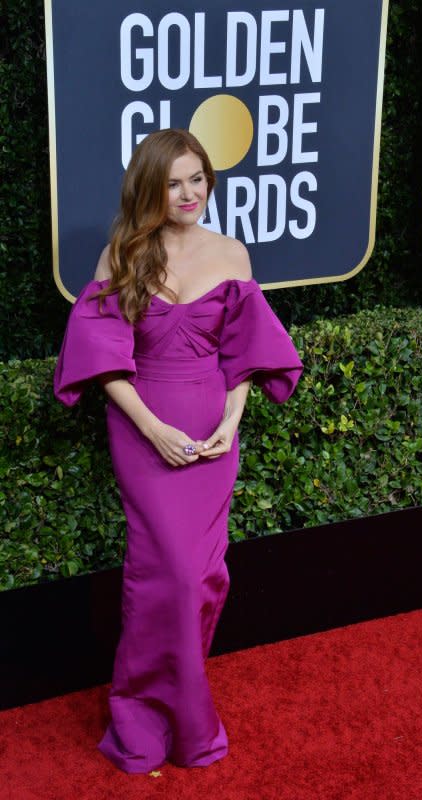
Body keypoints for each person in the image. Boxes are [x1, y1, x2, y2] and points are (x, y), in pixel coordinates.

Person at [54, 128, 303, 774]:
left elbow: (245, 354)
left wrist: (232, 418)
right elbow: (102, 362)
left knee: (201, 578)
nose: (189, 193)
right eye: (174, 182)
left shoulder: (232, 254)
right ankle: (140, 719)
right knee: (160, 576)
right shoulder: (123, 254)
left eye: (198, 179)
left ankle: (184, 716)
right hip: (144, 429)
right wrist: (153, 428)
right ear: (150, 188)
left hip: (213, 431)